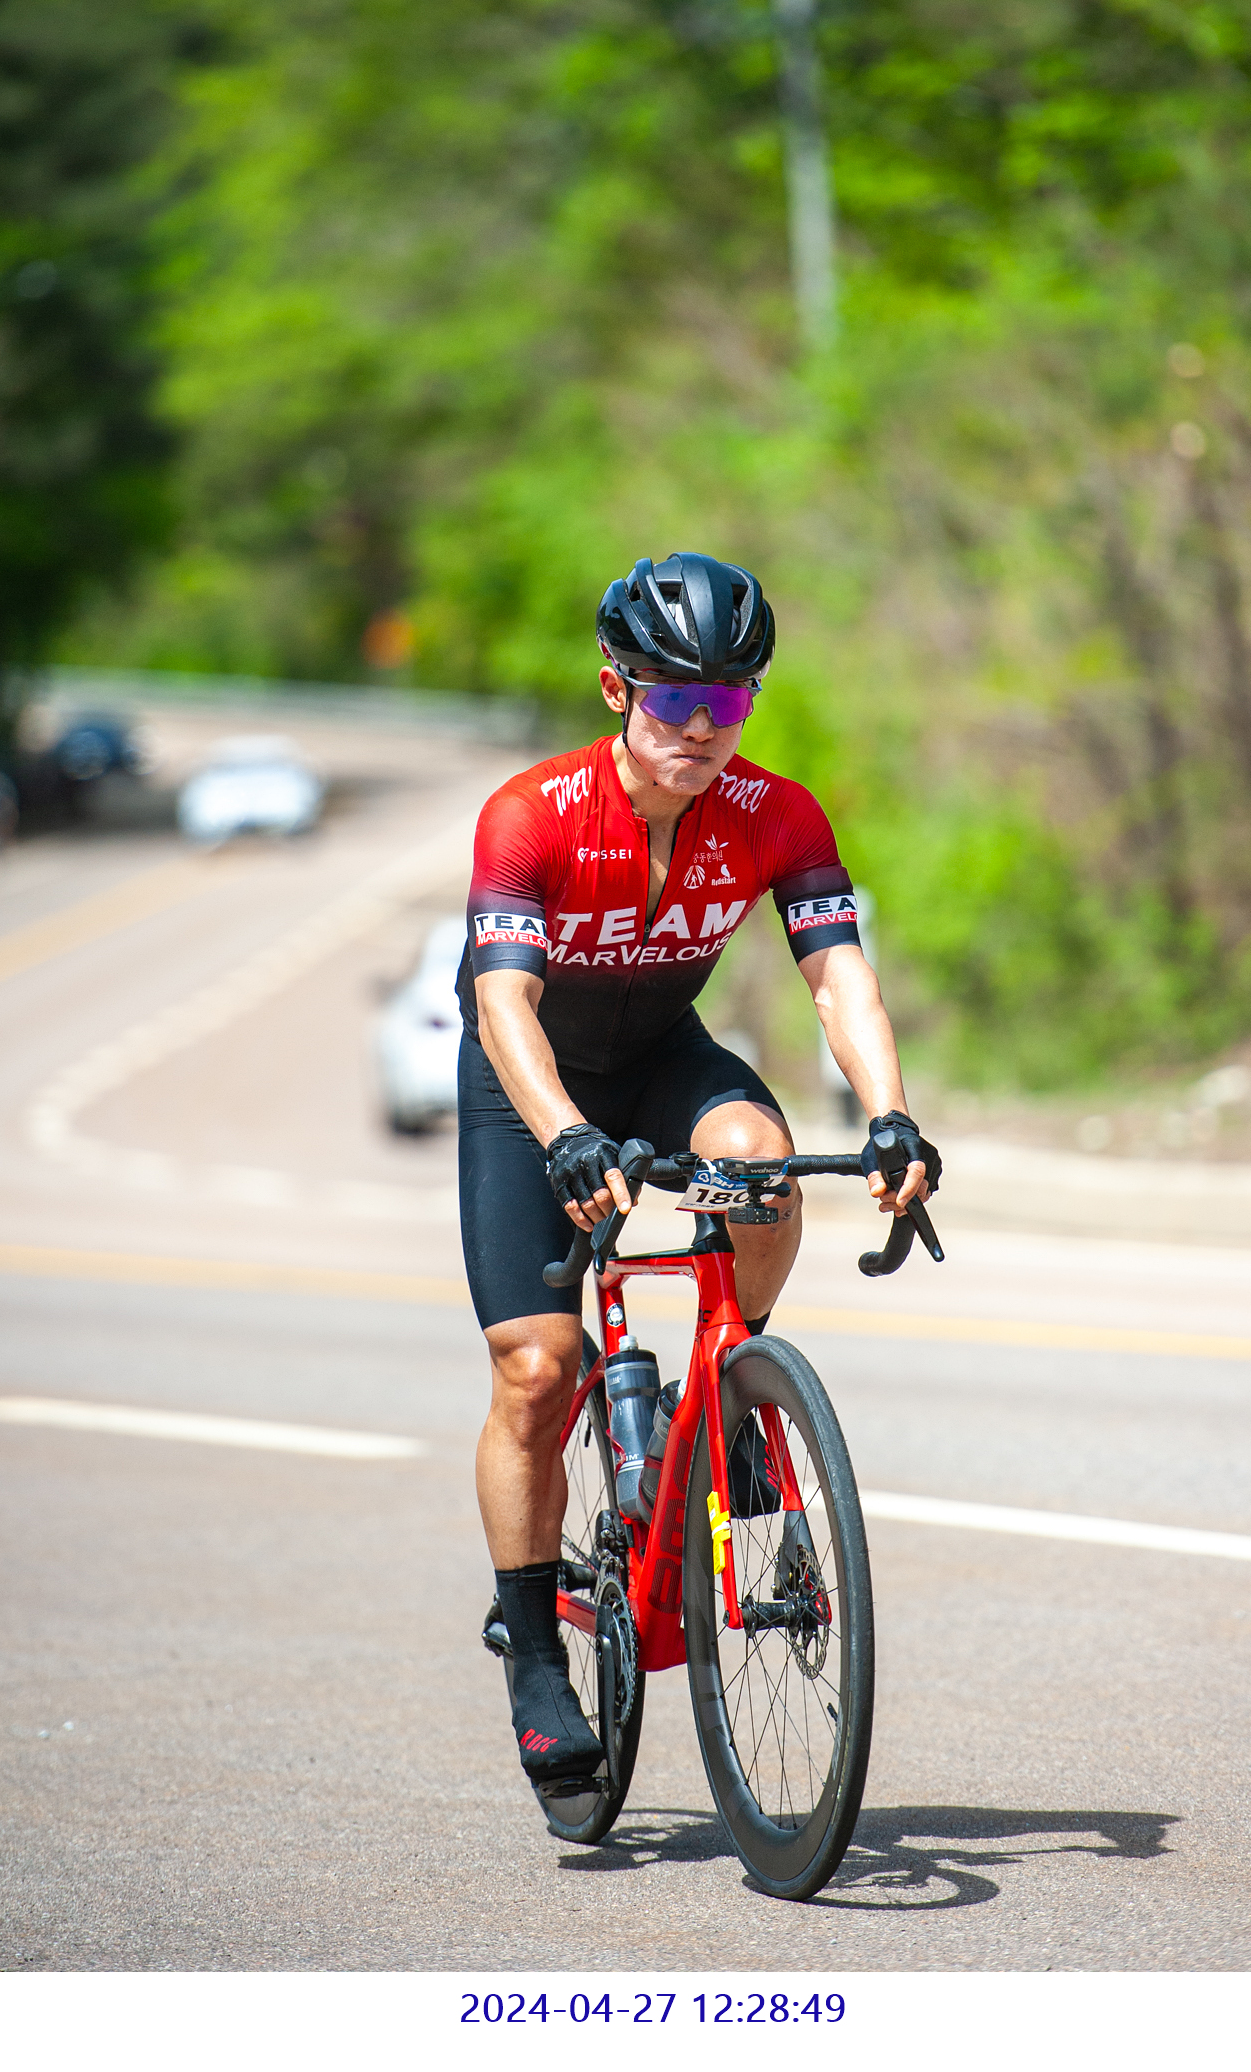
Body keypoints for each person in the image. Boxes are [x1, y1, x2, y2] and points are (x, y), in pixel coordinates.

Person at [457, 551, 939, 1788]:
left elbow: (837, 976)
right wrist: (563, 1133)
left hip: (663, 1052)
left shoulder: (777, 814)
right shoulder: (532, 814)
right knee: (537, 1368)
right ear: (616, 689)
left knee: (762, 1165)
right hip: (529, 1081)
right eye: (674, 698)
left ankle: (733, 1389)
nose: (700, 727)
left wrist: (890, 1114)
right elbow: (504, 1002)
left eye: (727, 700)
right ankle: (533, 1655)